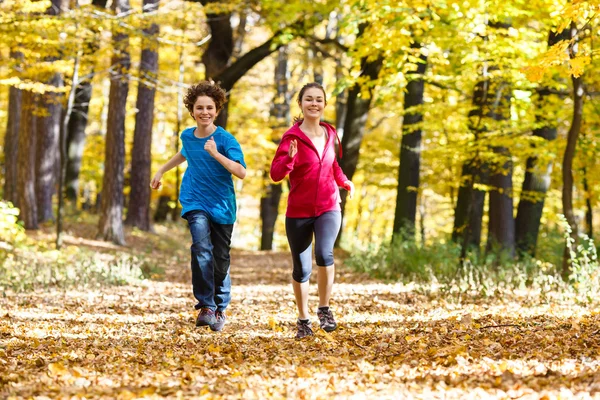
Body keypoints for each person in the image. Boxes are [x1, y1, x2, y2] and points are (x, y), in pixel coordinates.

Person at [150, 81, 246, 332]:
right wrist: (161, 169)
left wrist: (216, 153)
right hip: (195, 199)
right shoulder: (187, 135)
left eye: (209, 108)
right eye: (199, 108)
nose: (204, 112)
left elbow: (241, 172)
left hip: (222, 205)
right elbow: (185, 153)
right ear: (192, 111)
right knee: (201, 247)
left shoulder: (225, 139)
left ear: (217, 110)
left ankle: (220, 306)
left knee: (220, 259)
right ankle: (205, 305)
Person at [270, 82, 355, 339]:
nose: (314, 104)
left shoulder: (330, 134)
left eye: (319, 99)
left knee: (324, 253)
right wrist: (290, 159)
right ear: (301, 104)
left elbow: (333, 166)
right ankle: (303, 319)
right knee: (301, 269)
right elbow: (275, 174)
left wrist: (344, 181)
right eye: (309, 99)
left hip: (329, 205)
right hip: (299, 210)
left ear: (325, 105)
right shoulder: (291, 138)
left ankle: (325, 309)